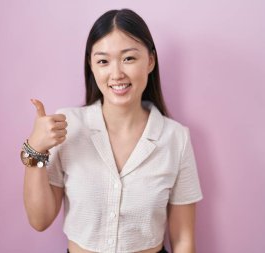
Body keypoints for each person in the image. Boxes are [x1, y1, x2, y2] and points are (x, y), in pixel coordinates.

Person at [22, 9, 203, 253]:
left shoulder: (176, 138)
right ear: (91, 66)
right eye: (103, 61)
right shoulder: (68, 127)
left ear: (150, 61)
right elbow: (40, 220)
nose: (116, 74)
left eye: (128, 58)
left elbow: (182, 239)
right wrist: (35, 148)